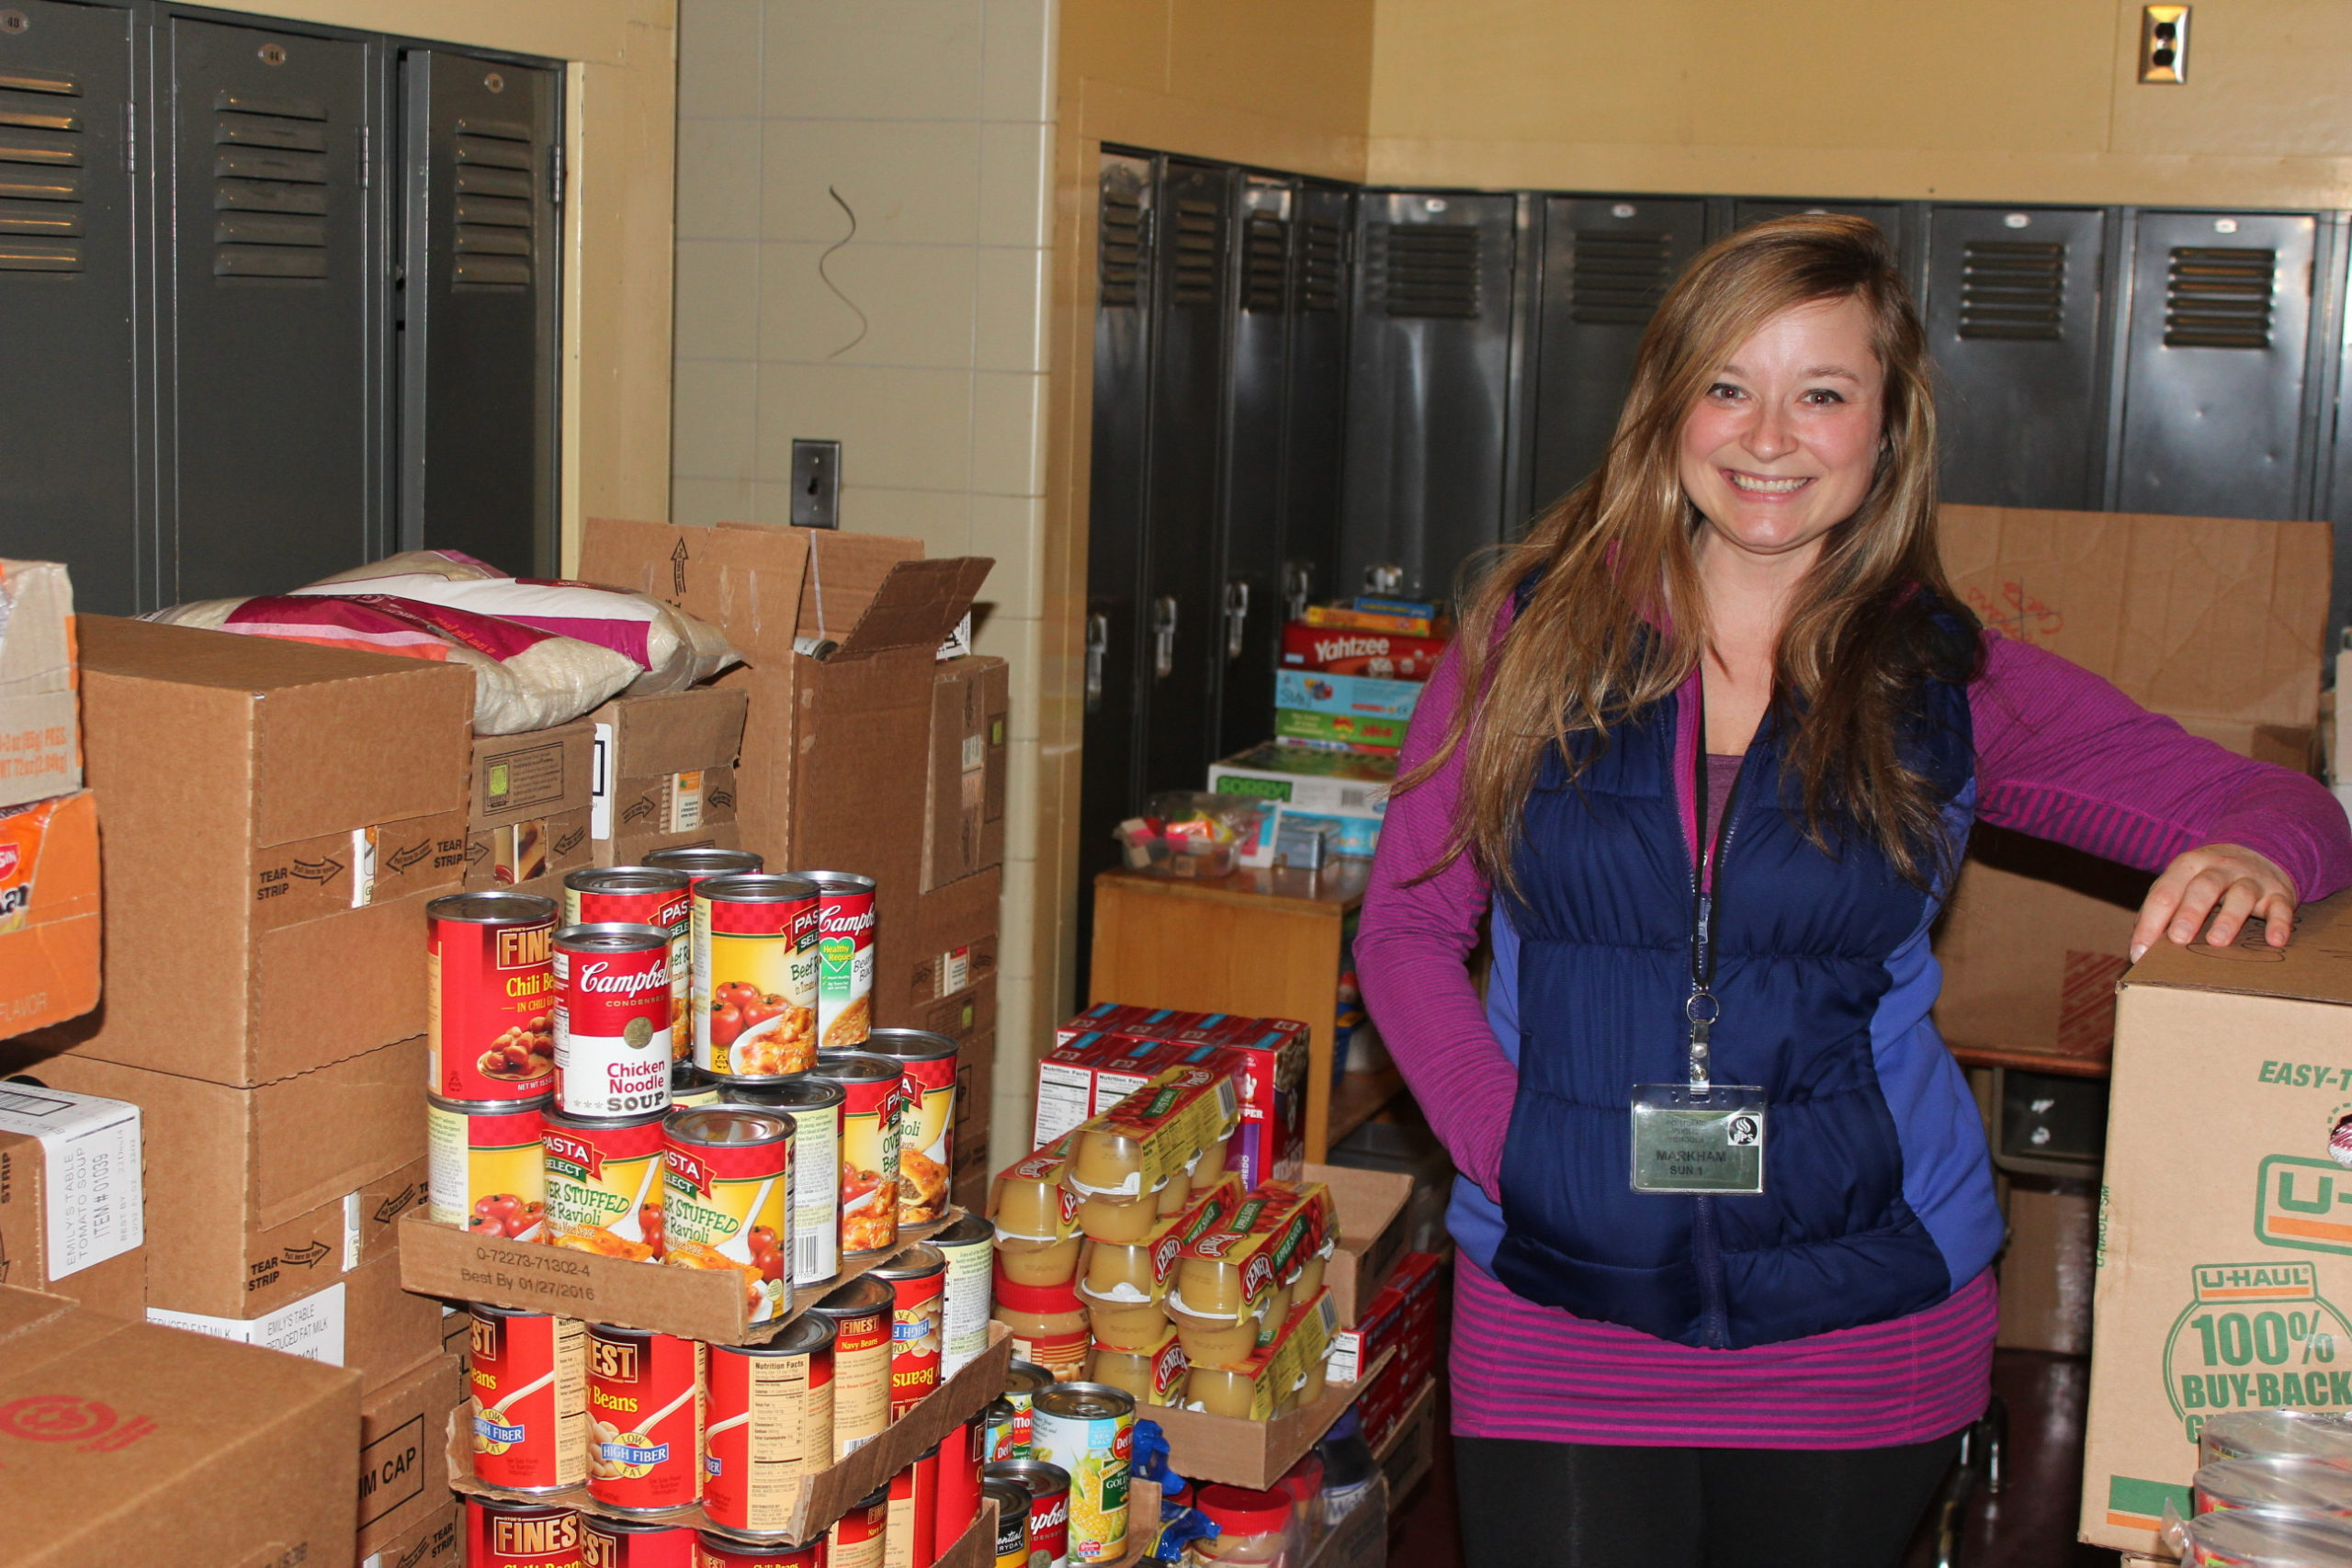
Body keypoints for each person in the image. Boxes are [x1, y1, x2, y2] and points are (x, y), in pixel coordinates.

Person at [1353, 215, 2352, 1568]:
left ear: (1886, 428)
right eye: (1729, 386)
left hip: (1863, 1318)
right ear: (1668, 408)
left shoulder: (1943, 679)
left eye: (1822, 393)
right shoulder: (1530, 642)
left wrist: (2258, 855)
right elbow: (1410, 927)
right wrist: (1510, 1148)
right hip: (1560, 1306)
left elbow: (2284, 805)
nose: (1770, 437)